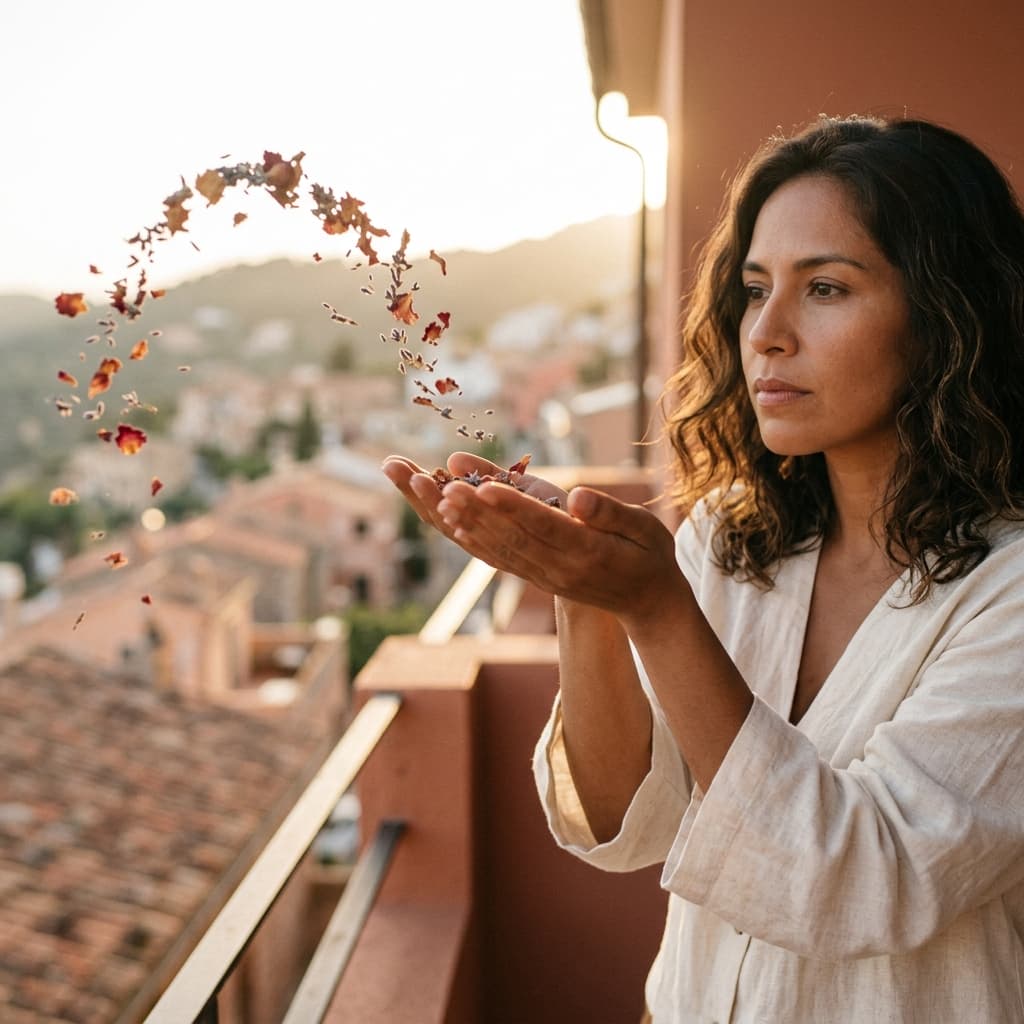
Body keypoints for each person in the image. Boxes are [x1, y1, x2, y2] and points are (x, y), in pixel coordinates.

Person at [382, 114, 1024, 1022]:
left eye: (827, 288)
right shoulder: (735, 542)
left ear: (949, 316)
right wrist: (586, 595)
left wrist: (656, 609)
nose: (766, 331)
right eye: (755, 288)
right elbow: (622, 824)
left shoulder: (1010, 595)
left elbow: (859, 881)